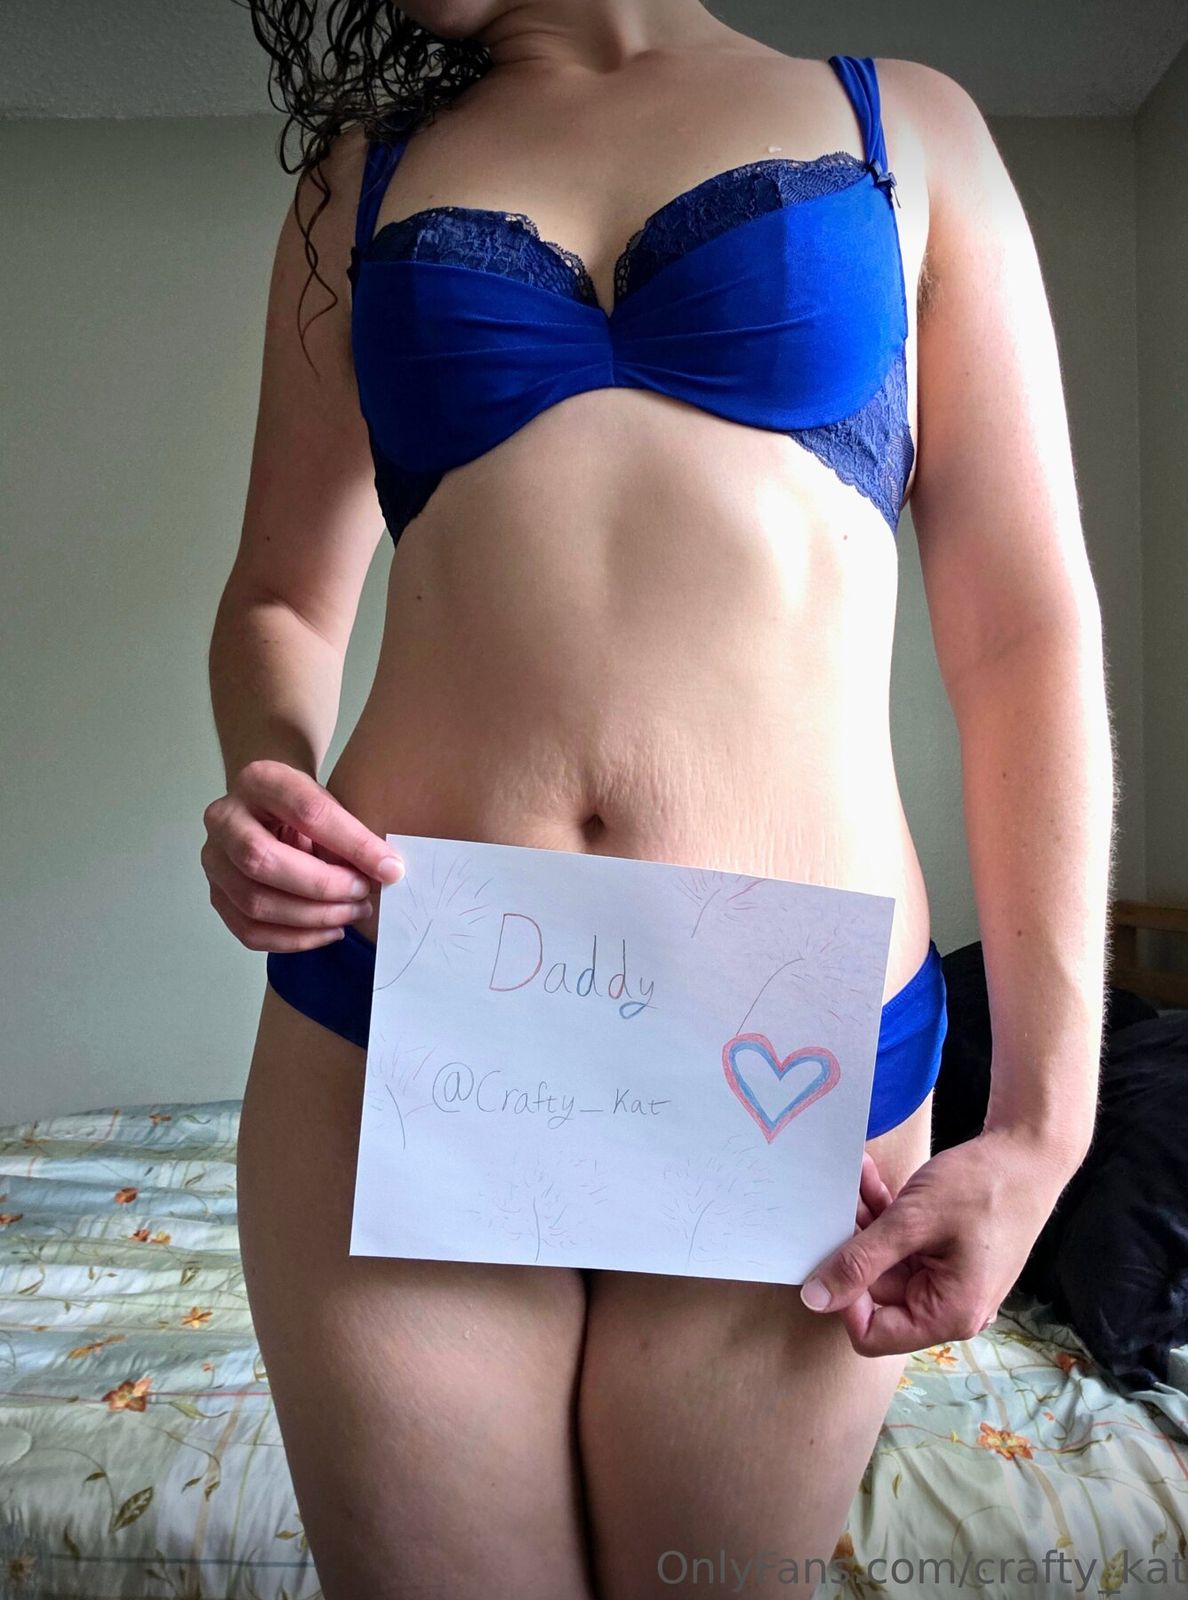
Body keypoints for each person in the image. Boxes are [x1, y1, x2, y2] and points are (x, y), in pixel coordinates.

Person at [202, 2, 1115, 1595]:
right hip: (405, 1016)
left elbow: (1025, 636)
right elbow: (281, 595)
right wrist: (267, 770)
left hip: (795, 1059)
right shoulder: (358, 174)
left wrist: (1047, 1122)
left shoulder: (907, 127)